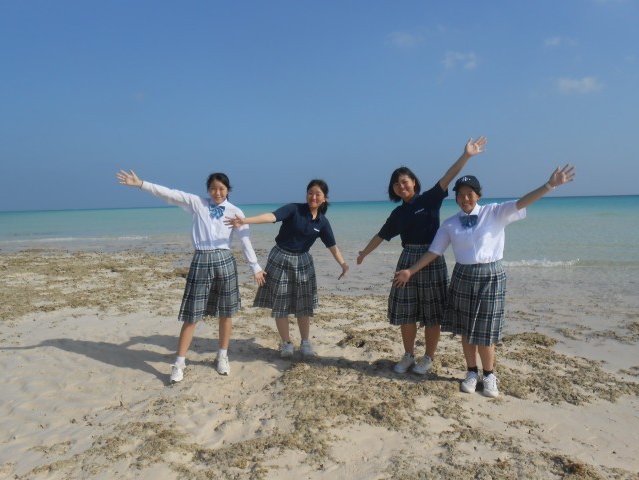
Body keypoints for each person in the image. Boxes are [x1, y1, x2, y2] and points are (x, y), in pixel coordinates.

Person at [393, 164, 576, 397]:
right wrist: (410, 271)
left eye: (470, 194)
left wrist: (549, 185)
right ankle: (471, 372)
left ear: (478, 195)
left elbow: (523, 202)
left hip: (492, 276)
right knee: (466, 329)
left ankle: (489, 375)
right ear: (456, 198)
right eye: (460, 194)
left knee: (485, 330)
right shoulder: (450, 223)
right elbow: (433, 252)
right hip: (462, 276)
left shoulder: (495, 212)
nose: (465, 198)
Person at [116, 170, 265, 382]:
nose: (217, 192)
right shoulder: (197, 203)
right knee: (191, 315)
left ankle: (222, 356)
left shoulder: (235, 212)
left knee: (226, 313)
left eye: (221, 189)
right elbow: (169, 194)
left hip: (225, 260)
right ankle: (179, 363)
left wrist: (255, 267)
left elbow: (245, 241)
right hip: (201, 260)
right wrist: (141, 184)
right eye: (213, 188)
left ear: (228, 190)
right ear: (208, 190)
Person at [357, 137, 488, 375]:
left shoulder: (430, 198)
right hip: (407, 259)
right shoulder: (398, 214)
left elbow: (449, 175)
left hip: (432, 257)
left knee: (432, 313)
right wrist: (364, 253)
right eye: (396, 184)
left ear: (414, 182)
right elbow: (381, 235)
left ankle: (428, 357)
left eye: (404, 181)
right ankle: (408, 354)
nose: (401, 186)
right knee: (406, 311)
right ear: (393, 189)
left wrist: (466, 155)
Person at [225, 179, 348, 358]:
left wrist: (343, 264)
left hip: (303, 262)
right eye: (310, 193)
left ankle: (305, 343)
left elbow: (332, 246)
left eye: (317, 194)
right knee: (280, 303)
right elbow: (271, 217)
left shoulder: (322, 222)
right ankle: (286, 343)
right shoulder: (294, 209)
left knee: (304, 305)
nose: (313, 197)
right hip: (280, 257)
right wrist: (244, 220)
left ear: (324, 198)